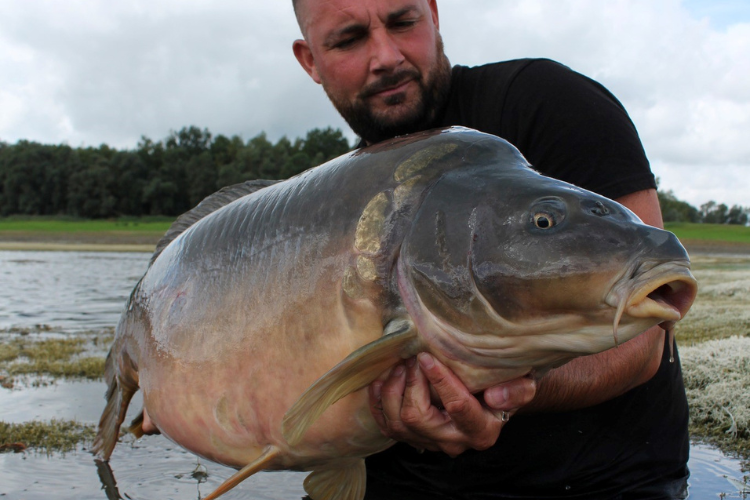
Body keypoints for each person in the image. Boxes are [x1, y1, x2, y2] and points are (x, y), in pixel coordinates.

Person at [291, 0, 689, 498]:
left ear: (434, 14)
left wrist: (506, 390)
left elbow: (645, 335)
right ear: (310, 60)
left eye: (403, 22)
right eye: (349, 39)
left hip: (597, 484)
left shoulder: (546, 102)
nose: (386, 56)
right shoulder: (326, 198)